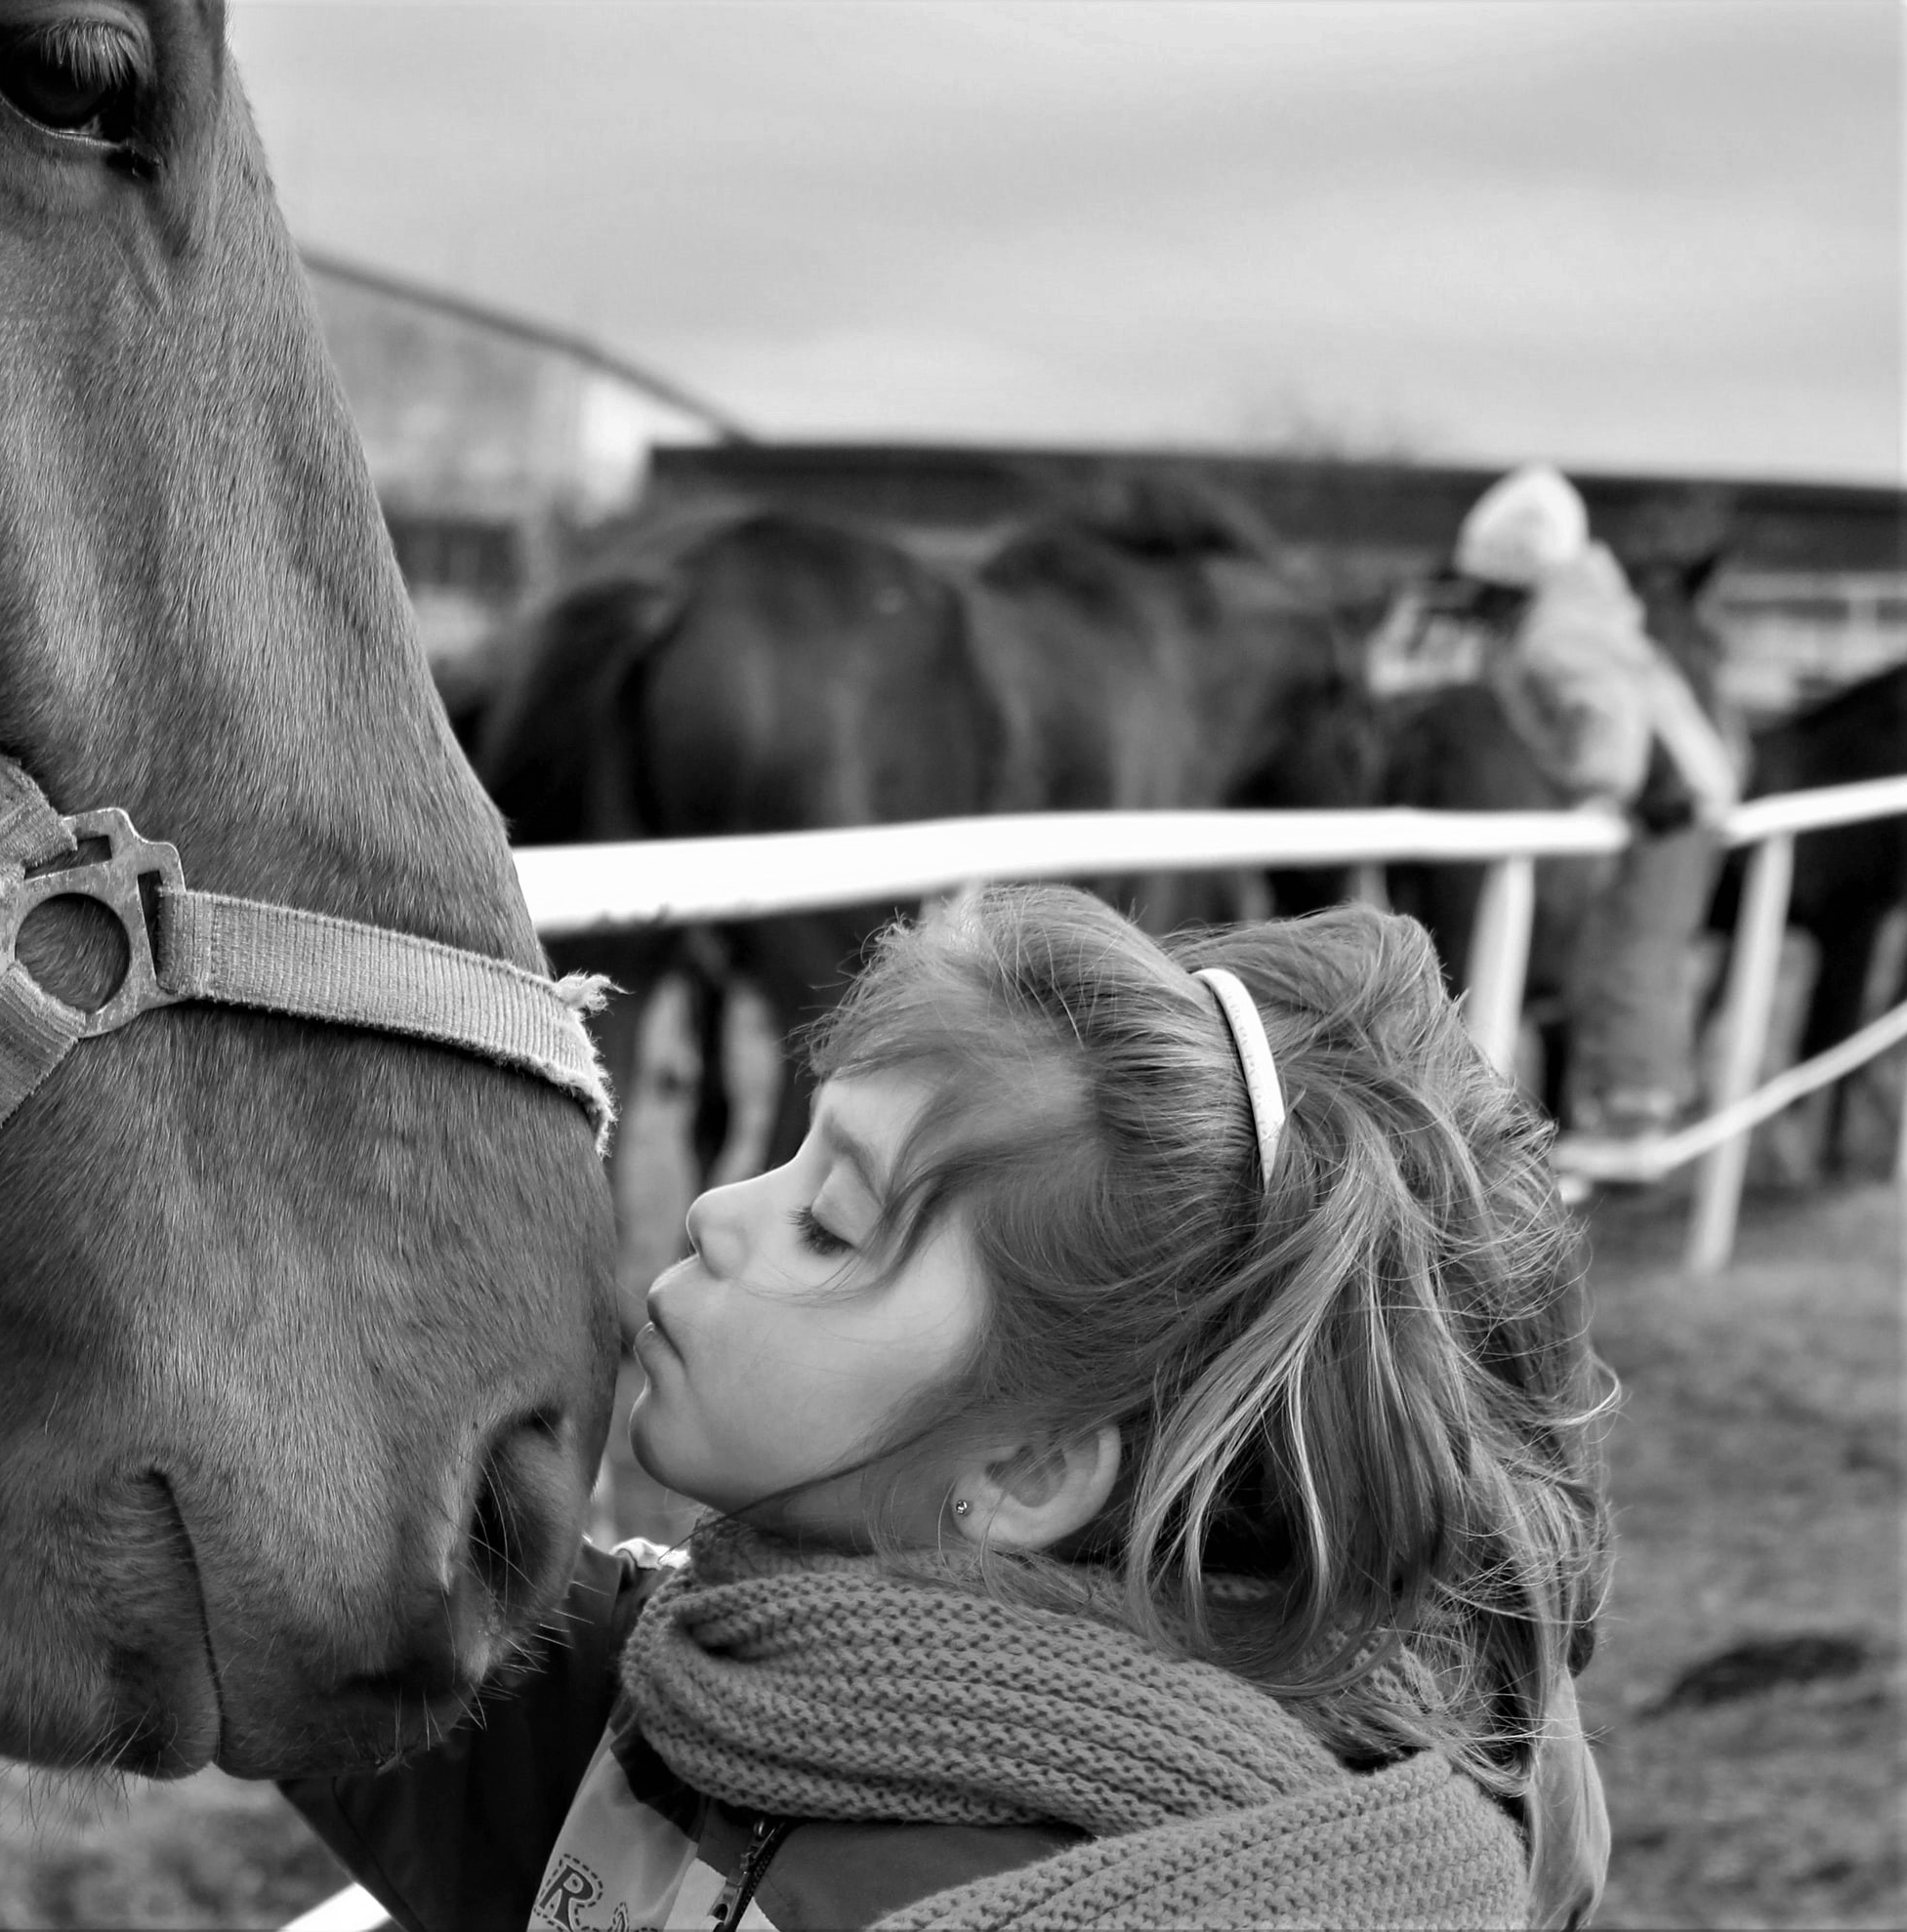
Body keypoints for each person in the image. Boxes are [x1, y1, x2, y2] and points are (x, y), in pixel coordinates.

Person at [282, 888, 1616, 1931]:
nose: (712, 1211)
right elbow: (315, 1556)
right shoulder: (694, 1688)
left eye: (829, 1222)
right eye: (789, 1156)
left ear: (1028, 1468)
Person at [1450, 463, 1743, 1147]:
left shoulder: (1556, 633)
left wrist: (1599, 795)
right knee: (1635, 951)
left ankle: (1631, 1121)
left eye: (1487, 590)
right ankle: (1631, 1107)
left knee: (1633, 953)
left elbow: (1609, 719)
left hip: (1661, 808)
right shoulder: (1585, 611)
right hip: (1679, 798)